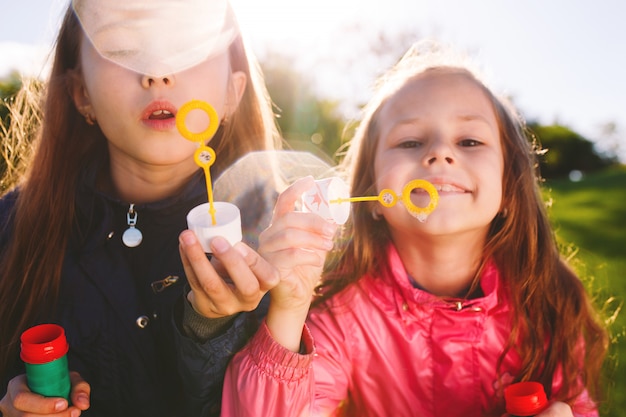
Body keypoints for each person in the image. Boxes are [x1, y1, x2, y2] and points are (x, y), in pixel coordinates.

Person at [221, 40, 609, 417]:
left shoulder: (546, 300)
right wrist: (289, 311)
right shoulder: (343, 314)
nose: (440, 152)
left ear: (509, 187)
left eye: (469, 140)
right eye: (410, 142)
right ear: (371, 196)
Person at [0, 0, 285, 416]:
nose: (158, 72)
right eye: (122, 46)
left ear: (232, 92)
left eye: (187, 42)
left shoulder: (283, 236)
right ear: (82, 95)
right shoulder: (12, 228)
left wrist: (213, 328)